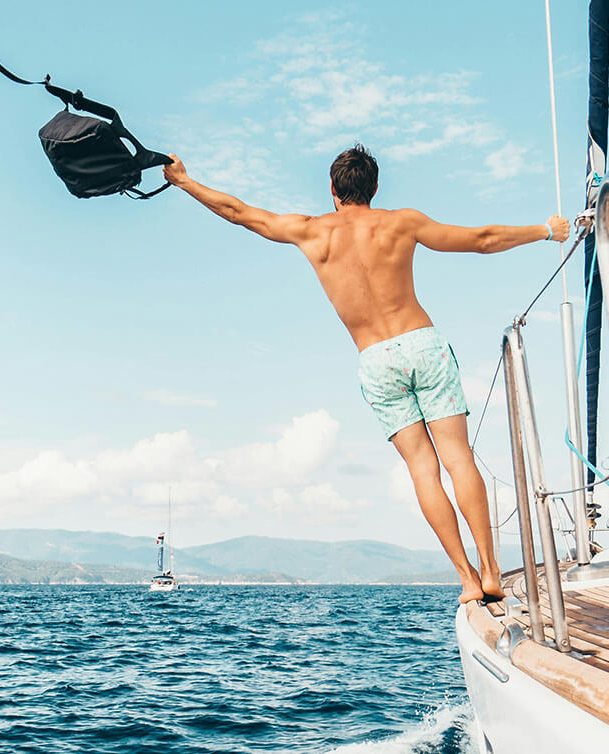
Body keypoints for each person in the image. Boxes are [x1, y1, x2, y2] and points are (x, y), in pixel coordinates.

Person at [164, 144, 570, 603]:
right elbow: (481, 239)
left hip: (376, 358)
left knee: (423, 469)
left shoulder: (310, 232)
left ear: (333, 191)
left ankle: (467, 580)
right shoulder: (402, 223)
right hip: (422, 342)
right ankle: (493, 570)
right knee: (459, 457)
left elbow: (239, 212)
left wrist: (184, 181)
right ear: (374, 189)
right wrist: (545, 230)